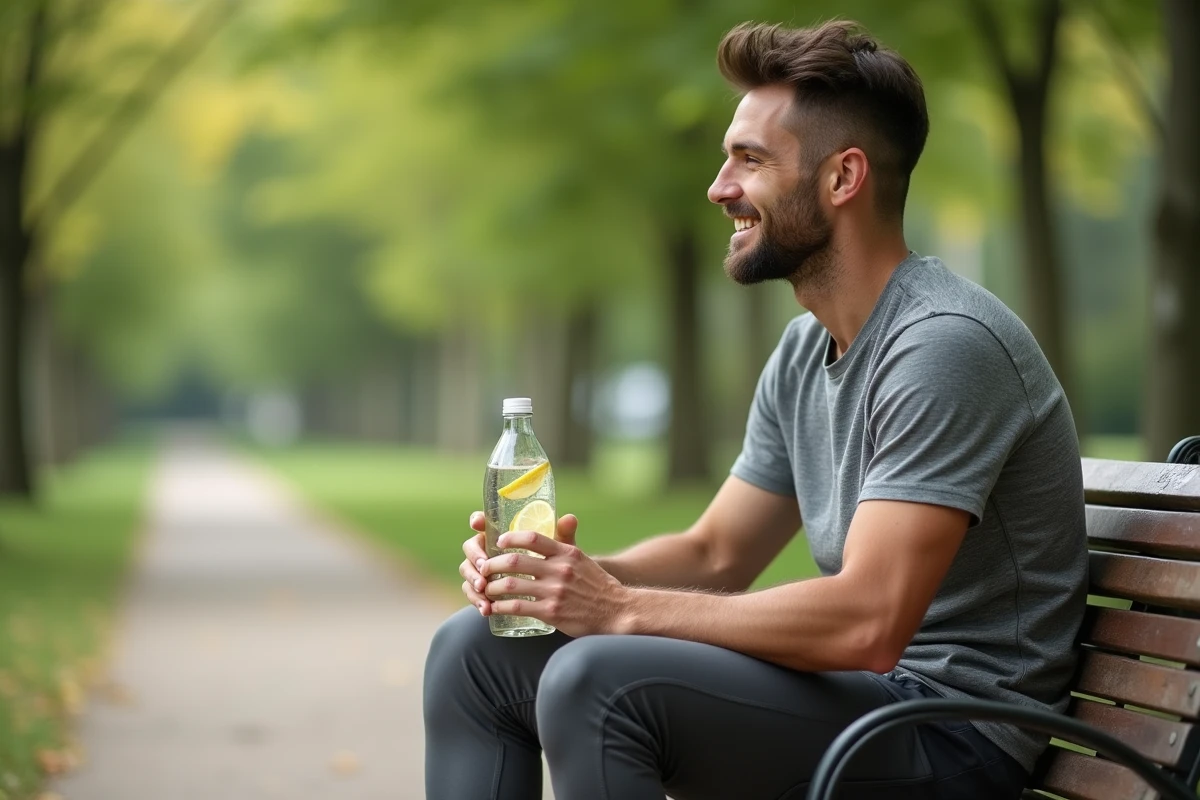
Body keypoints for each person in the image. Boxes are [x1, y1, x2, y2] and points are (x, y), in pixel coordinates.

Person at [424, 19, 1088, 800]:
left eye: (750, 159)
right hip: (865, 702)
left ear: (843, 179)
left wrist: (620, 610)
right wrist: (560, 583)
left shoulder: (945, 345)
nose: (718, 187)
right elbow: (715, 555)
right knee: (474, 649)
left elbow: (869, 622)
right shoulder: (807, 350)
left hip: (953, 731)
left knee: (596, 682)